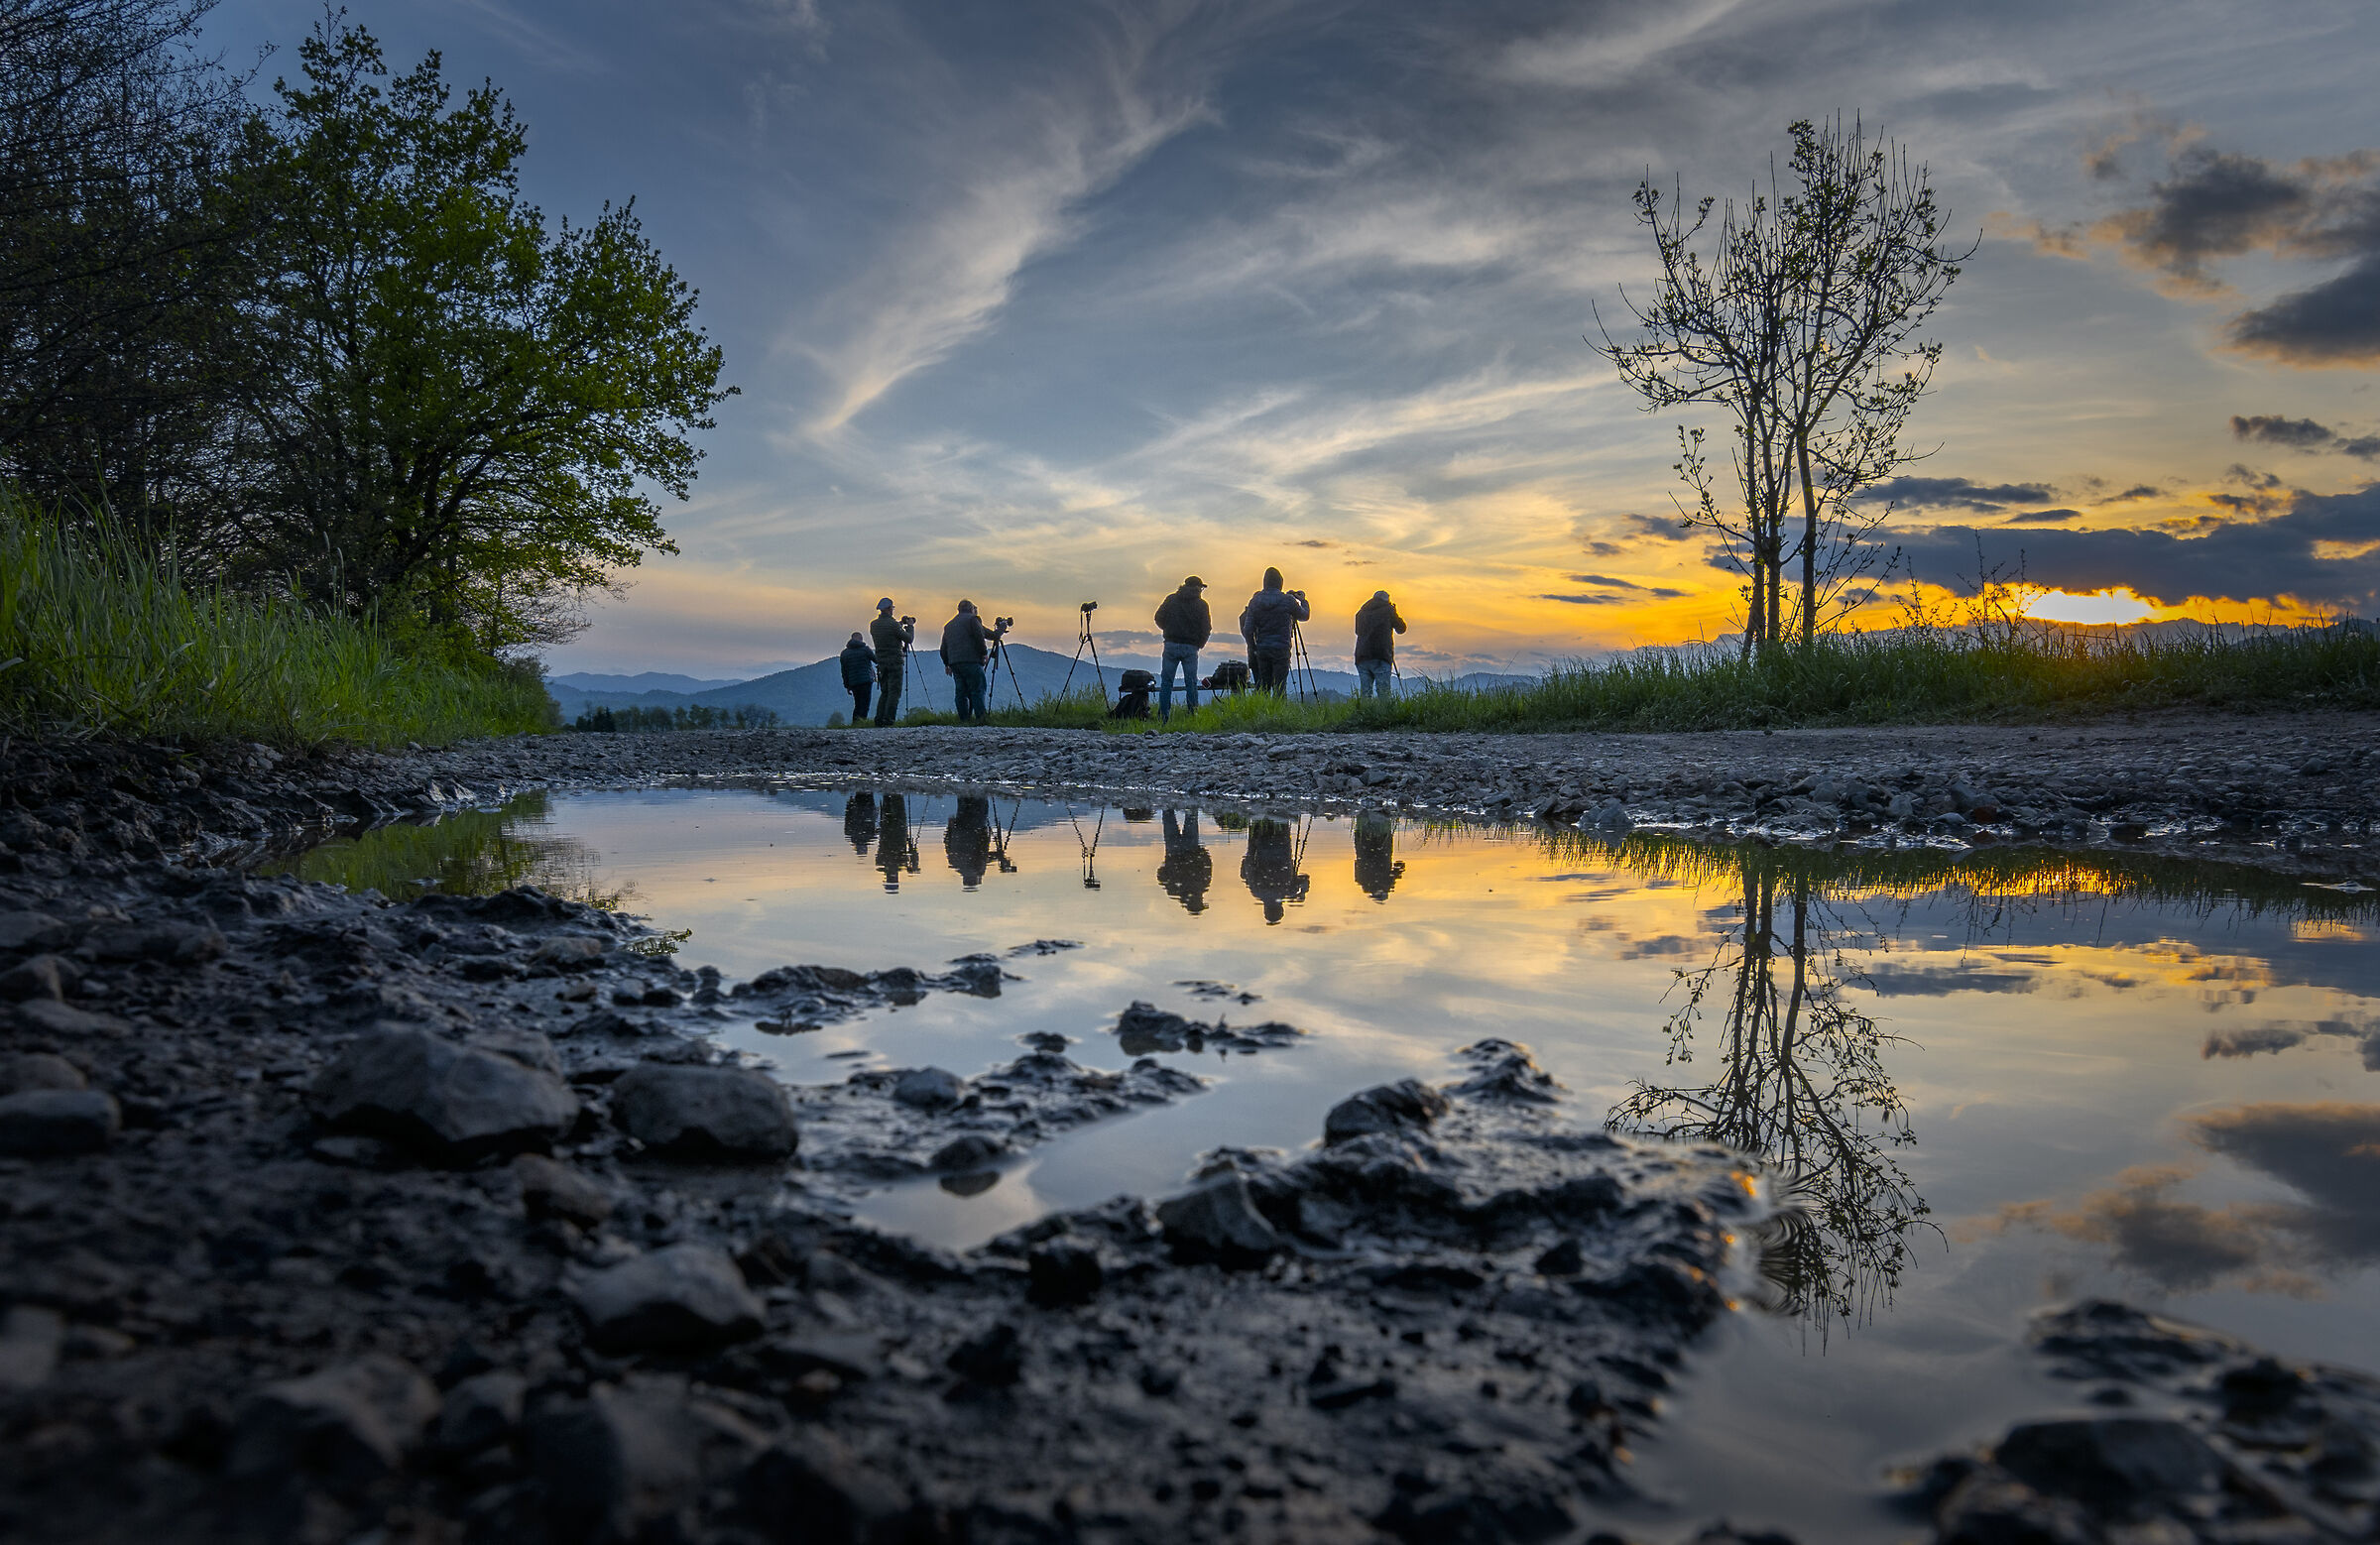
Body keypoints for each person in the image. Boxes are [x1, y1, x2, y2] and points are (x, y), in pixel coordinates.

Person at [1238, 566, 1309, 695]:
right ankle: (1279, 713)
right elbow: (1304, 616)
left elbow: (1248, 630)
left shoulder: (1255, 601)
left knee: (1263, 687)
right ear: (1280, 583)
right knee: (1280, 687)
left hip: (1262, 649)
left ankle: (1261, 713)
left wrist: (1253, 647)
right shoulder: (1288, 601)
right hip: (1281, 649)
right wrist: (1302, 601)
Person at [938, 599, 1008, 724]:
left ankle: (964, 720)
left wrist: (947, 663)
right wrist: (984, 653)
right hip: (971, 661)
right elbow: (981, 637)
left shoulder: (948, 625)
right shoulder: (973, 620)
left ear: (958, 610)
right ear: (971, 609)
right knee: (977, 689)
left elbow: (943, 647)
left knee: (961, 692)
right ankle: (981, 719)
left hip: (955, 663)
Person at [1152, 575, 1211, 722]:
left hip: (1171, 644)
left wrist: (1167, 629)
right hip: (1191, 647)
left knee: (1166, 683)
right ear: (1199, 588)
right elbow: (1206, 628)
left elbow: (1158, 617)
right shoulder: (1202, 605)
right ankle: (1192, 715)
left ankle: (1163, 716)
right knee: (1191, 682)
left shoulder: (1171, 599)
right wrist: (1200, 643)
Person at [1241, 816, 1310, 924]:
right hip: (1262, 840)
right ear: (1265, 909)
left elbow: (1305, 879)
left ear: (1281, 909)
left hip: (1282, 840)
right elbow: (1249, 863)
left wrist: (1302, 894)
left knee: (1282, 819)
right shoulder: (1256, 891)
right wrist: (1253, 840)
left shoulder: (1288, 891)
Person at [869, 599, 914, 726]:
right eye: (892, 608)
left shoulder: (874, 624)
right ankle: (889, 719)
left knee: (885, 691)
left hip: (881, 662)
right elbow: (909, 639)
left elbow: (888, 629)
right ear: (889, 608)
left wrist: (899, 624)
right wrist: (910, 626)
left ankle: (879, 719)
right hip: (895, 661)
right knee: (894, 692)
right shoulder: (893, 625)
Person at [1354, 589, 1406, 700]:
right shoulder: (1388, 610)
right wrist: (1394, 612)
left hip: (1362, 656)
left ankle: (1365, 715)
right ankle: (1385, 716)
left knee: (1366, 693)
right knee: (1384, 693)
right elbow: (1401, 628)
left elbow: (1357, 631)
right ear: (1387, 600)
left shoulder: (1361, 612)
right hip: (1381, 655)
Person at [1157, 808, 1211, 913]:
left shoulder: (1202, 886)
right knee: (1169, 814)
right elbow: (1160, 875)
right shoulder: (1173, 891)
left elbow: (1207, 865)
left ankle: (1177, 795)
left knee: (1191, 815)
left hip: (1190, 848)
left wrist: (1202, 852)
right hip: (1174, 850)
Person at [1354, 810, 1404, 900]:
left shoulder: (1363, 881)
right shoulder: (1362, 881)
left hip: (1370, 839)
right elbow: (1356, 864)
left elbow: (1400, 866)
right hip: (1368, 840)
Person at [837, 631, 875, 724]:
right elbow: (876, 660)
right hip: (866, 680)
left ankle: (856, 724)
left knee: (857, 704)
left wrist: (847, 686)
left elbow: (844, 671)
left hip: (853, 682)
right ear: (861, 639)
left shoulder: (844, 653)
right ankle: (862, 723)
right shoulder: (865, 649)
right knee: (865, 704)